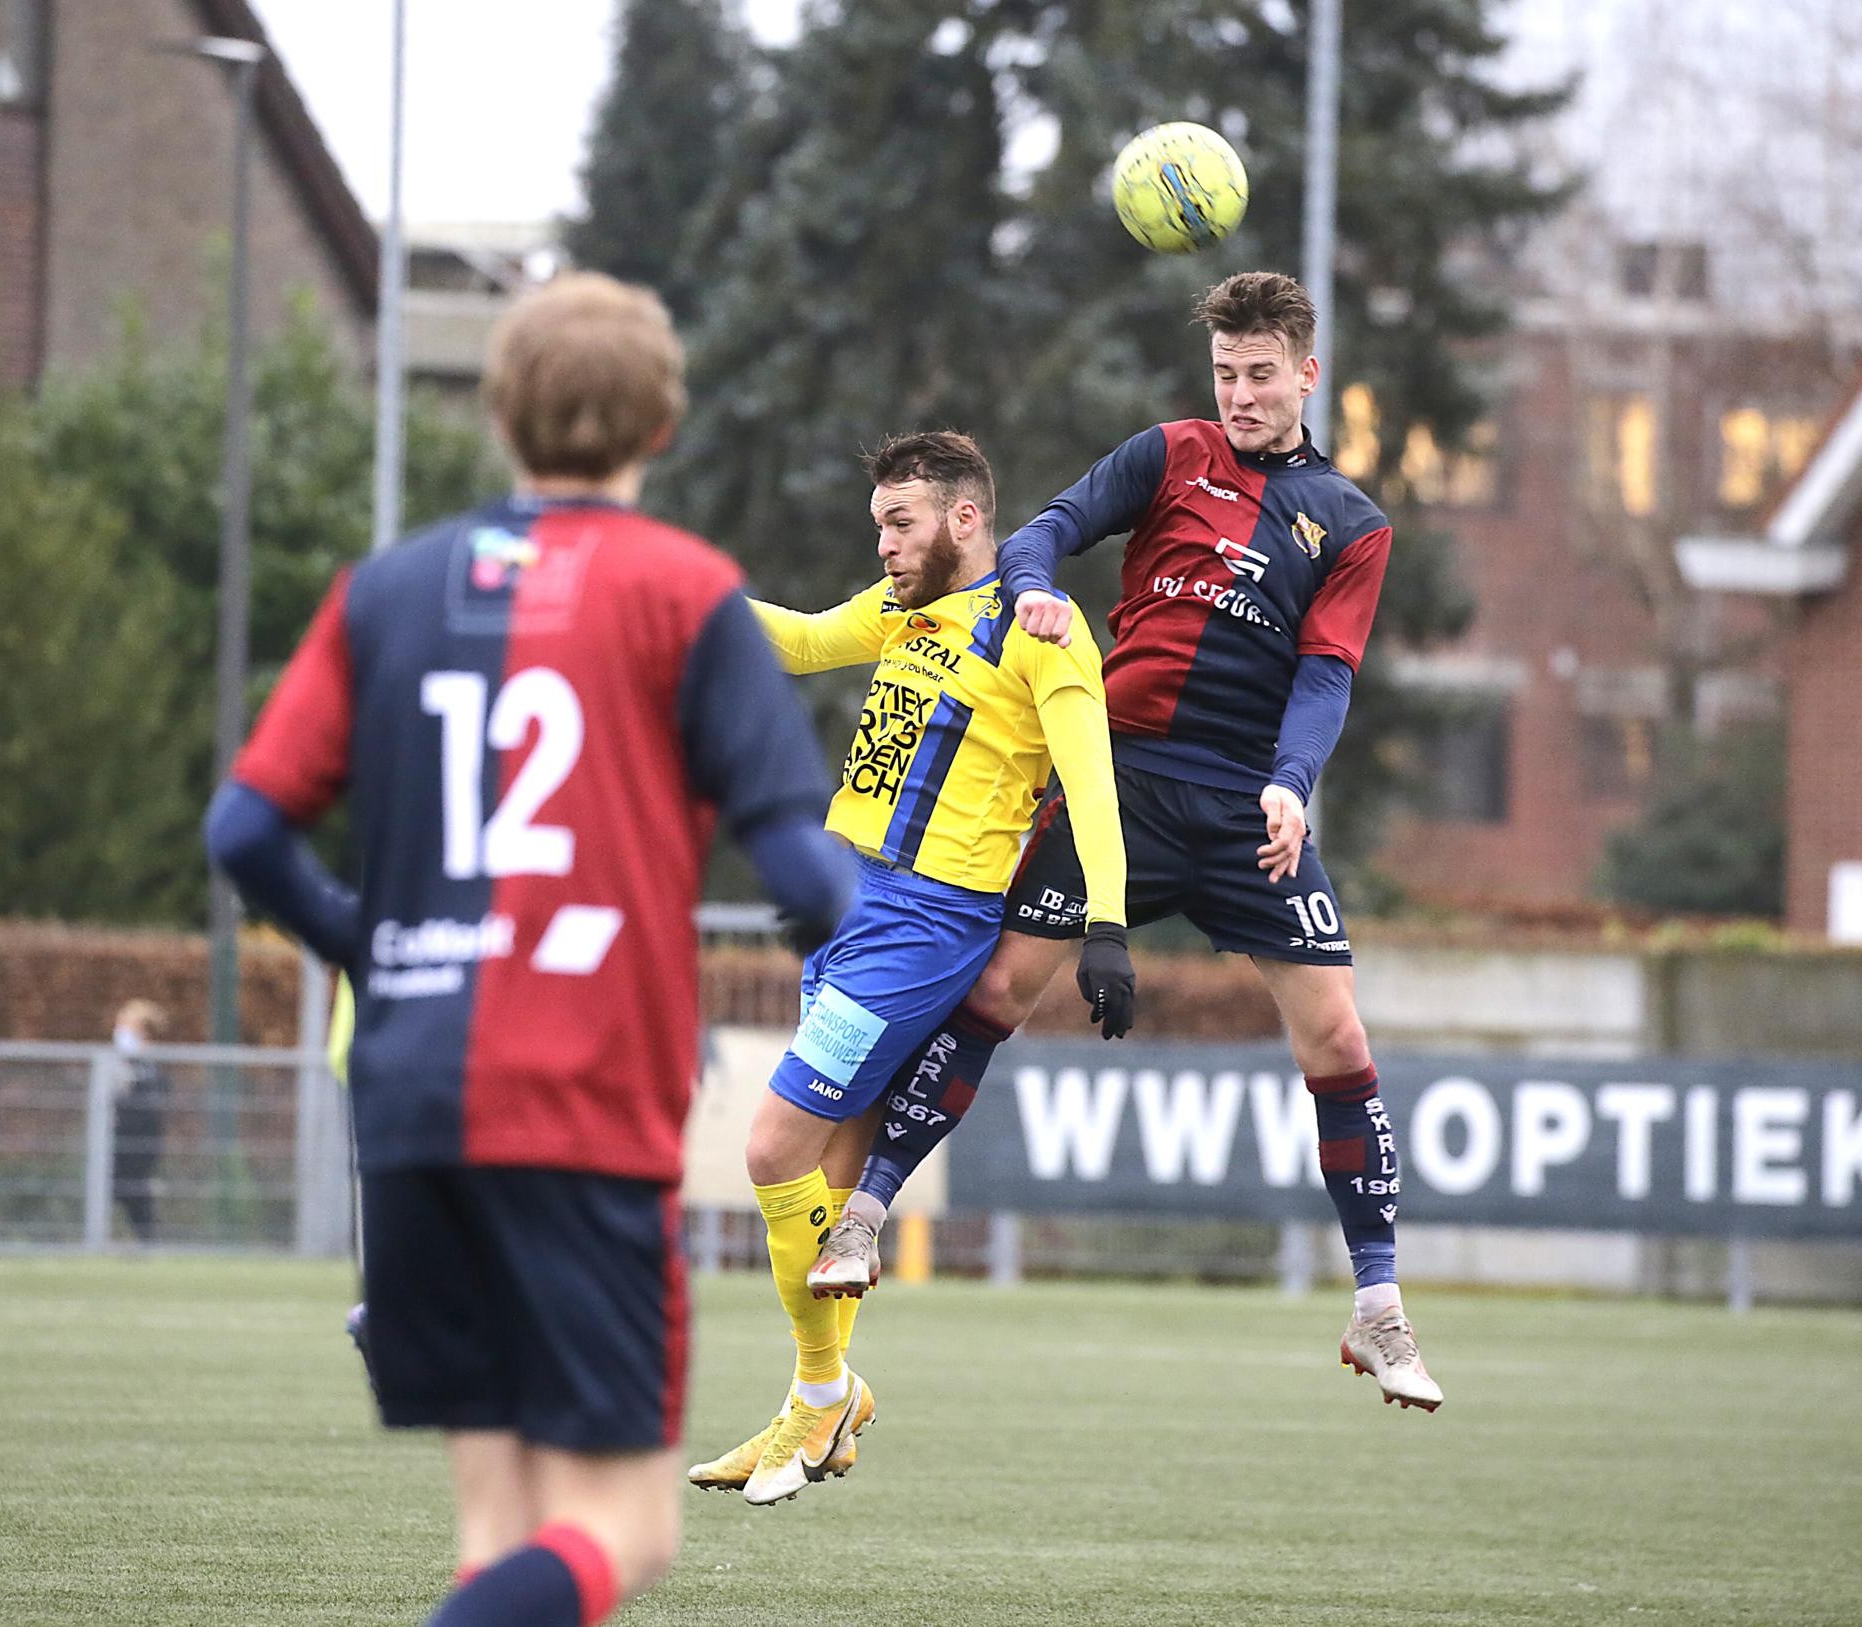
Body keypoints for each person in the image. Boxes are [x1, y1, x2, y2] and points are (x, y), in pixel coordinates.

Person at [204, 271, 850, 1627]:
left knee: (501, 1530)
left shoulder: (389, 588)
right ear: (661, 424)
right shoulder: (685, 590)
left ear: (498, 415)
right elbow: (797, 865)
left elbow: (246, 827)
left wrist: (370, 945)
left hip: (416, 1098)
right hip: (580, 1100)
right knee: (627, 1524)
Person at [816, 271, 1443, 1412]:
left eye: (1259, 374)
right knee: (1001, 989)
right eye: (1224, 373)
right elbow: (1048, 527)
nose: (1240, 393)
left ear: (1307, 372)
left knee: (1339, 1035)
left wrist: (1295, 785)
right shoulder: (1167, 454)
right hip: (1124, 783)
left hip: (1250, 807)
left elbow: (1325, 673)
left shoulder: (1350, 522)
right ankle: (864, 1214)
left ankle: (1377, 1306)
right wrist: (1035, 590)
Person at [687, 430, 1136, 1508]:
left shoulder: (1038, 626)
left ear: (965, 518)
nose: (882, 543)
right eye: (877, 524)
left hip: (924, 926)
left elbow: (1093, 781)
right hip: (852, 905)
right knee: (826, 1182)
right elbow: (793, 642)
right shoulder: (903, 612)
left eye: (900, 523)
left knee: (770, 1146)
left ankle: (825, 1388)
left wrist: (1108, 926)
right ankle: (815, 1399)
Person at [109, 999, 171, 1242]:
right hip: (116, 1144)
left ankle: (147, 1243)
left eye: (127, 1026)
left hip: (139, 1148)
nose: (120, 1031)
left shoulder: (151, 1070)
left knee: (136, 1195)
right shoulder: (117, 1063)